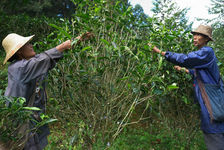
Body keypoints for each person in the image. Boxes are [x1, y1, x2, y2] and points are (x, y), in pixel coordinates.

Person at [2, 32, 91, 150]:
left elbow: (44, 61)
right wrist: (64, 46)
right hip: (21, 125)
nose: (31, 45)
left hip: (31, 124)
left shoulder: (29, 66)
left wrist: (76, 41)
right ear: (19, 51)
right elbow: (43, 60)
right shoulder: (18, 68)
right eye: (28, 44)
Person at [150, 25, 224, 150]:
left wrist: (161, 52)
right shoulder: (203, 57)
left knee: (215, 140)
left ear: (206, 39)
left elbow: (186, 59)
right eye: (194, 34)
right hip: (215, 108)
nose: (195, 37)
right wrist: (184, 70)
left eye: (199, 35)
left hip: (213, 112)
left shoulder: (207, 52)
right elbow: (200, 74)